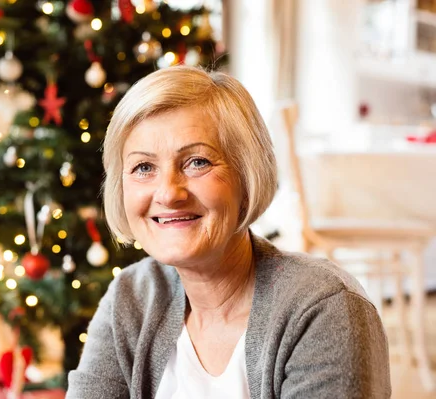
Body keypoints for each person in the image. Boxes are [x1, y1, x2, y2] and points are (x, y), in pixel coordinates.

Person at [66, 66, 390, 398]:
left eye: (197, 162)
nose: (168, 193)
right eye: (144, 167)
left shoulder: (323, 309)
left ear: (246, 177)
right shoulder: (131, 298)